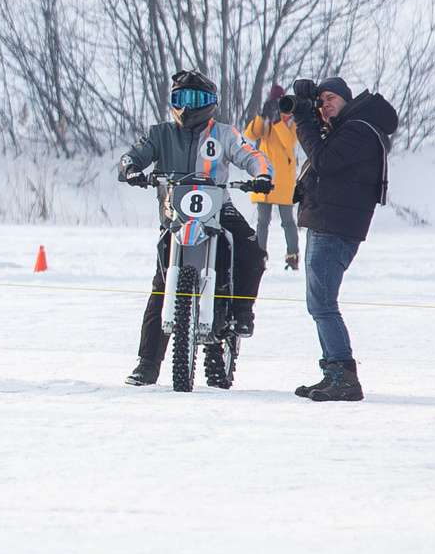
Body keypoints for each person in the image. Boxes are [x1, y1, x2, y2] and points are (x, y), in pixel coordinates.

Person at [116, 69, 271, 386]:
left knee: (252, 250)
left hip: (218, 208)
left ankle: (243, 312)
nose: (187, 106)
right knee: (161, 286)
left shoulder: (224, 134)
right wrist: (130, 168)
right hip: (176, 215)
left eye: (196, 98)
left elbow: (251, 155)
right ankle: (147, 364)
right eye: (181, 98)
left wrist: (261, 175)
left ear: (210, 102)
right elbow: (135, 154)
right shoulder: (160, 133)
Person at [291, 74, 402, 402]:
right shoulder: (350, 128)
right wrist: (313, 116)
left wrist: (303, 121)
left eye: (331, 99)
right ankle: (333, 373)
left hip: (334, 227)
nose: (325, 106)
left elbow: (323, 161)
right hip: (329, 223)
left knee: (323, 304)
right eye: (321, 101)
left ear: (347, 100)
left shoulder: (358, 130)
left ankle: (344, 377)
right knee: (319, 304)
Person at [241, 84, 301, 270]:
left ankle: (292, 255)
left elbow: (289, 142)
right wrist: (262, 116)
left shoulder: (290, 121)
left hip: (283, 179)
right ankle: (259, 255)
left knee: (288, 221)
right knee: (262, 221)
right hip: (265, 175)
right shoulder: (266, 121)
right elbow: (250, 134)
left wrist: (277, 120)